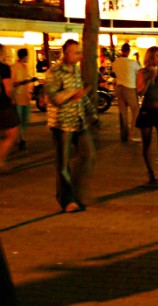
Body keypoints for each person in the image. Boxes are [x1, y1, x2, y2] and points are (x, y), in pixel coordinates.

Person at [44, 40, 98, 212]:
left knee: (89, 155)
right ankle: (67, 200)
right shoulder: (54, 72)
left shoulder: (76, 70)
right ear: (65, 53)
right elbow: (53, 97)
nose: (79, 56)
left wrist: (92, 112)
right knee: (63, 164)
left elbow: (81, 94)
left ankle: (74, 192)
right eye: (76, 52)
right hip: (62, 123)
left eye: (80, 52)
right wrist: (72, 93)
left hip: (79, 121)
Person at [136, 46, 158, 187]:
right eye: (156, 55)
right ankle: (151, 174)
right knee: (147, 143)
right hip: (147, 110)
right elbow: (140, 92)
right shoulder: (142, 72)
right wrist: (149, 79)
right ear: (150, 57)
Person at [111, 43, 142, 143]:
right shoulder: (132, 63)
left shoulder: (116, 62)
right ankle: (132, 135)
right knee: (136, 111)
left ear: (121, 50)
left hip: (119, 88)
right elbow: (140, 70)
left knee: (123, 114)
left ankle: (123, 136)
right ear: (129, 51)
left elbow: (114, 73)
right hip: (130, 87)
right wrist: (138, 59)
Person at [0, 45, 20, 172]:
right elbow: (8, 89)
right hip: (3, 105)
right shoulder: (3, 68)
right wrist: (12, 99)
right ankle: (0, 161)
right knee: (13, 132)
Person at [11, 48, 36, 151]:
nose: (28, 58)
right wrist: (25, 82)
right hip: (17, 98)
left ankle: (19, 138)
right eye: (27, 56)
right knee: (19, 121)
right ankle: (21, 139)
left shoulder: (25, 67)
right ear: (23, 56)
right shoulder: (14, 67)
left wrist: (30, 82)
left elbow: (26, 81)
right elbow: (12, 83)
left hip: (26, 98)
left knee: (25, 120)